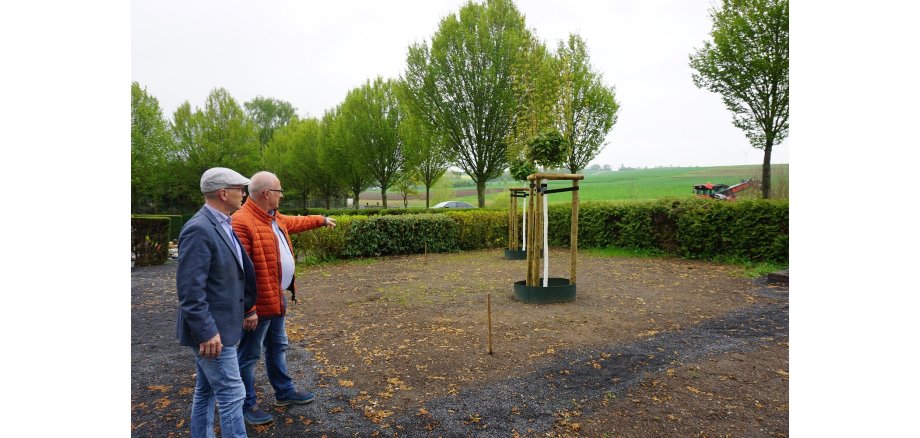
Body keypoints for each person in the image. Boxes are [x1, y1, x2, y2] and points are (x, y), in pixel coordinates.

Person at [231, 171, 337, 425]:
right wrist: (249, 309)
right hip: (258, 305)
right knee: (248, 355)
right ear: (267, 194)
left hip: (275, 299)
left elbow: (296, 222)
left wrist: (321, 220)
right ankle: (246, 404)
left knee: (277, 346)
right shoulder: (242, 222)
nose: (282, 196)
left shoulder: (272, 217)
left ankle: (284, 392)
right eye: (279, 191)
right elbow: (239, 272)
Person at [175, 167, 258, 438]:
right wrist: (206, 331)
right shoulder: (199, 229)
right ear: (223, 193)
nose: (244, 193)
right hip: (214, 333)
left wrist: (247, 308)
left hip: (224, 328)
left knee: (207, 390)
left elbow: (229, 276)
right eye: (239, 189)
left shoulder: (224, 223)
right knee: (233, 393)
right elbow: (190, 291)